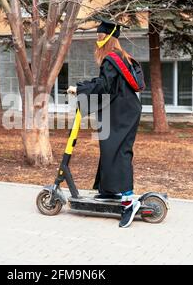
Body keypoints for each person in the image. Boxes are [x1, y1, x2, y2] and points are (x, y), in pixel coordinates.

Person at [67, 18, 143, 228]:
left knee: (119, 151)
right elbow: (106, 84)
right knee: (110, 148)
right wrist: (82, 86)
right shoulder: (121, 57)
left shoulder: (111, 58)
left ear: (106, 38)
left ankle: (128, 202)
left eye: (99, 37)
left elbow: (104, 87)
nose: (97, 41)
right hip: (123, 110)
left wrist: (79, 89)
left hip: (122, 113)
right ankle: (108, 190)